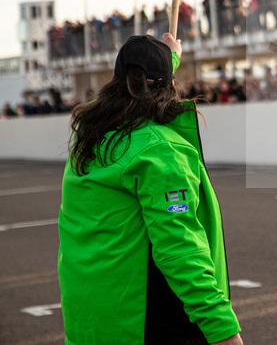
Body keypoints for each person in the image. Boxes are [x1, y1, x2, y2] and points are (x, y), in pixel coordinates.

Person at [58, 34, 243, 345]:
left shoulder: (90, 137)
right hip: (145, 323)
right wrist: (222, 330)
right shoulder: (160, 149)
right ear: (168, 85)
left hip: (92, 318)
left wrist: (167, 60)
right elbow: (180, 250)